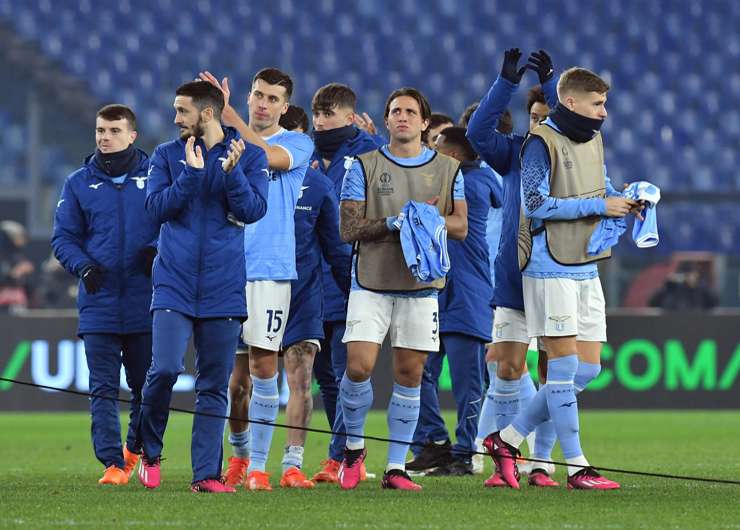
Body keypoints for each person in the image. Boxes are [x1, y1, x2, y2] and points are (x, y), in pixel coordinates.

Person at [484, 66, 642, 490]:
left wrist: (624, 200)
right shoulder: (540, 142)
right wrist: (597, 208)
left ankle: (508, 438)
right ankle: (576, 466)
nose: (604, 111)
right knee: (563, 366)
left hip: (586, 263)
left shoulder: (595, 139)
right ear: (571, 102)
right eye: (598, 103)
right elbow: (533, 203)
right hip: (548, 264)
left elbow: (599, 188)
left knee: (587, 370)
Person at [136, 81, 268, 493]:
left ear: (206, 114)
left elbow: (252, 211)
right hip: (173, 283)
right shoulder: (167, 155)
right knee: (165, 370)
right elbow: (155, 209)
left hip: (223, 285)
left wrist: (230, 176)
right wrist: (191, 178)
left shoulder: (250, 156)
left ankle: (205, 475)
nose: (175, 118)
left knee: (213, 385)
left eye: (182, 111)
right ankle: (149, 449)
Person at [337, 87, 468, 491]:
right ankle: (354, 451)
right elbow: (348, 229)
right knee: (358, 367)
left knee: (410, 375)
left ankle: (395, 467)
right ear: (388, 119)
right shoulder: (363, 165)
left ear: (425, 122)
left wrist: (425, 218)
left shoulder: (449, 170)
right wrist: (394, 221)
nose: (402, 117)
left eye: (411, 111)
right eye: (395, 111)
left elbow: (460, 226)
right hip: (371, 282)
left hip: (421, 287)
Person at [199, 68, 314, 491]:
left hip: (268, 270)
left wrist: (226, 114)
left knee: (265, 367)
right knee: (233, 379)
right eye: (258, 96)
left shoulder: (297, 143)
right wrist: (214, 117)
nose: (263, 104)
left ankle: (261, 467)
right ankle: (239, 456)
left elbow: (264, 156)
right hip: (227, 267)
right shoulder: (224, 141)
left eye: (272, 99)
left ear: (285, 107)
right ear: (249, 96)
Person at [467, 48, 562, 487]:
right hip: (512, 277)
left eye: (550, 117)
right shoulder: (515, 153)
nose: (541, 124)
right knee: (506, 368)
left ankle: (541, 463)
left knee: (551, 370)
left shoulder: (571, 161)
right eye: (537, 117)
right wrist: (505, 83)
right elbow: (477, 131)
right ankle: (506, 457)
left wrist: (557, 87)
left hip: (559, 273)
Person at [51, 104, 159, 485]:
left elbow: (175, 221)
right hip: (98, 301)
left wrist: (155, 248)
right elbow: (63, 237)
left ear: (132, 135)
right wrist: (83, 266)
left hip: (147, 301)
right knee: (102, 388)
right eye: (100, 130)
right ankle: (113, 464)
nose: (104, 137)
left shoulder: (156, 176)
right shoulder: (78, 183)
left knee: (147, 386)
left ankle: (136, 448)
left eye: (113, 130)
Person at [260, 105, 352, 488]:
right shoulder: (250, 175)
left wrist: (355, 294)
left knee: (301, 379)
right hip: (255, 288)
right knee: (243, 383)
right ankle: (245, 461)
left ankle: (292, 465)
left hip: (302, 294)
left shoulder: (317, 187)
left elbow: (335, 248)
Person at [407, 127, 502, 476]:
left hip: (466, 292)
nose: (431, 150)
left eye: (436, 146)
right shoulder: (456, 179)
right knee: (417, 371)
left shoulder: (472, 184)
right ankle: (436, 442)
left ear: (454, 156)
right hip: (438, 291)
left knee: (468, 381)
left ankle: (463, 451)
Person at [307, 83, 382, 483]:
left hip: (352, 276)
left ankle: (344, 455)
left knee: (344, 370)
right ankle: (343, 453)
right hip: (310, 278)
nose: (320, 121)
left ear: (350, 117)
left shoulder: (369, 152)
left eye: (329, 114)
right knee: (324, 376)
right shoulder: (304, 152)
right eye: (317, 114)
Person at [0, 220, 35, 311]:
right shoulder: (4, 254)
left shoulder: (16, 254)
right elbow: (6, 275)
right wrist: (16, 272)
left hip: (16, 301)